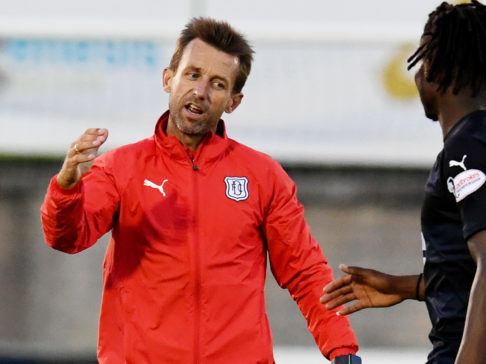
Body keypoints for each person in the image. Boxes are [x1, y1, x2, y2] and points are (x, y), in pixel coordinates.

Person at [40, 18, 360, 363]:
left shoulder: (263, 176)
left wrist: (341, 349)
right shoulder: (121, 167)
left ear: (233, 101)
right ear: (168, 78)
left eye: (217, 83)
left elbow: (305, 271)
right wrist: (67, 186)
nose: (201, 92)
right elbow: (68, 237)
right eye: (192, 75)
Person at [321, 1, 486, 363]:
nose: (418, 72)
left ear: (437, 67)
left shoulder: (469, 148)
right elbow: (478, 270)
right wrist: (404, 286)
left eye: (423, 56)